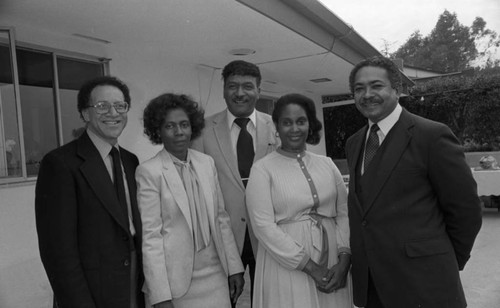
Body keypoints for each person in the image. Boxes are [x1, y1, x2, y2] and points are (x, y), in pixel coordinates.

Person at [345, 56, 482, 308]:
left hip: (426, 283)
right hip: (372, 285)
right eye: (359, 88)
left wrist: (446, 261)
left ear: (396, 89)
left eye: (376, 86)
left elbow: (466, 210)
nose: (367, 94)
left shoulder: (431, 135)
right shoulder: (354, 143)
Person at [35, 76, 144, 308]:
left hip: (133, 284)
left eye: (120, 106)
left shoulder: (131, 161)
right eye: (101, 106)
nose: (112, 113)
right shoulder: (60, 164)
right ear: (85, 113)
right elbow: (58, 253)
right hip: (92, 292)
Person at [136, 93, 245, 308]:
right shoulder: (149, 172)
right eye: (170, 126)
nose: (179, 132)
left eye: (184, 124)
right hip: (176, 282)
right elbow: (151, 238)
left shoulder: (207, 163)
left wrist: (235, 267)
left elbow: (221, 218)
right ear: (158, 130)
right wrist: (160, 295)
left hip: (216, 274)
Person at [246, 94, 352, 308]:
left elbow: (344, 212)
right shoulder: (262, 169)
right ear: (277, 126)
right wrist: (310, 267)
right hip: (287, 266)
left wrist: (344, 260)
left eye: (301, 121)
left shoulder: (327, 164)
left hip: (333, 261)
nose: (294, 128)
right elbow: (263, 227)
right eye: (287, 122)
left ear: (309, 124)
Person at [191, 60, 277, 305]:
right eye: (233, 86)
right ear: (223, 90)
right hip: (224, 239)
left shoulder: (277, 126)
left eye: (248, 86)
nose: (240, 93)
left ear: (259, 91)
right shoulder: (202, 130)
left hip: (269, 237)